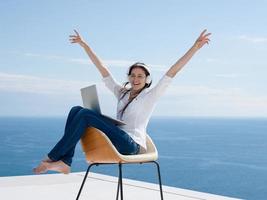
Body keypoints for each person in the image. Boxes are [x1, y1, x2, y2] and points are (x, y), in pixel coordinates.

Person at [33, 29, 211, 174]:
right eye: (133, 75)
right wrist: (84, 45)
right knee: (76, 110)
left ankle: (54, 156)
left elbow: (173, 71)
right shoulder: (123, 93)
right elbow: (103, 69)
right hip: (118, 137)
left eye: (140, 76)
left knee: (85, 115)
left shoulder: (151, 95)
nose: (135, 79)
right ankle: (65, 161)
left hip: (132, 145)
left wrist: (195, 47)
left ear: (147, 79)